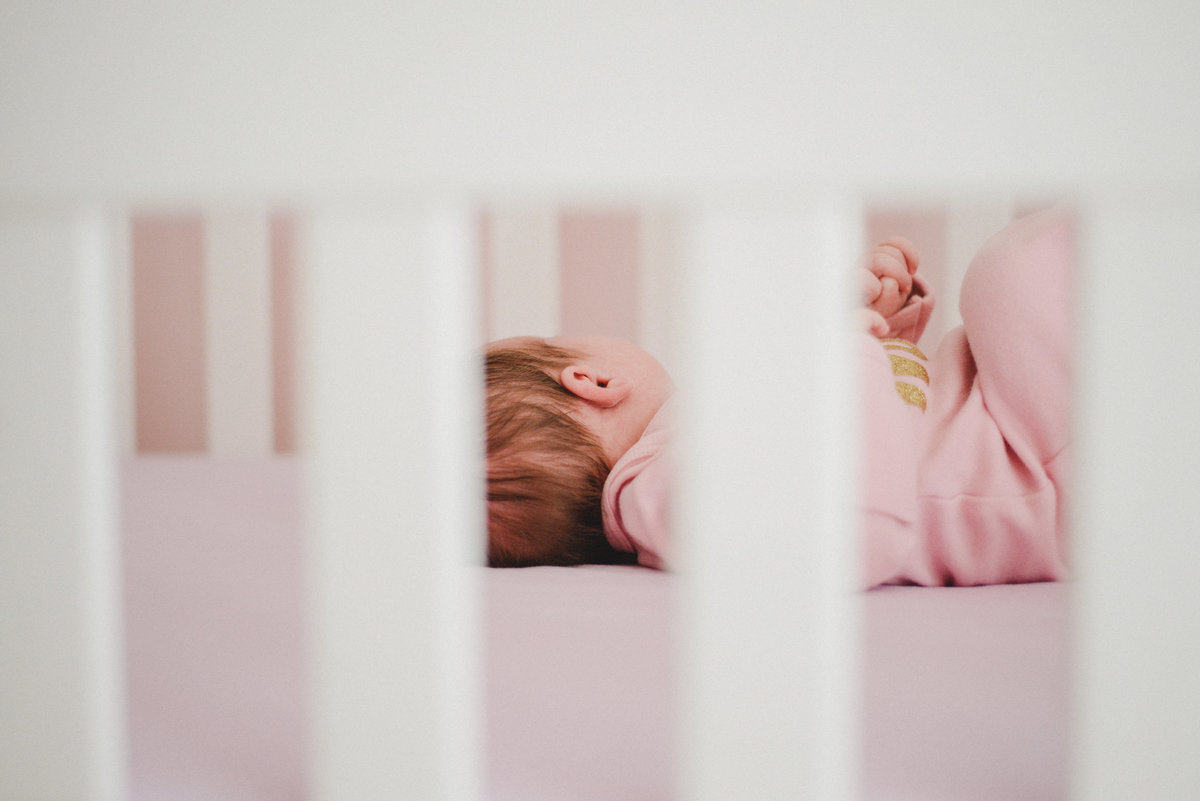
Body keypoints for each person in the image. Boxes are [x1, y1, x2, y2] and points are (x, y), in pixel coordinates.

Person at [486, 207, 1073, 587]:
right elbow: (849, 526)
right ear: (592, 381)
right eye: (560, 339)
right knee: (1012, 270)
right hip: (1033, 458)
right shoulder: (659, 486)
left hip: (1008, 418)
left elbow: (891, 421)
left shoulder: (686, 446)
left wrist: (878, 330)